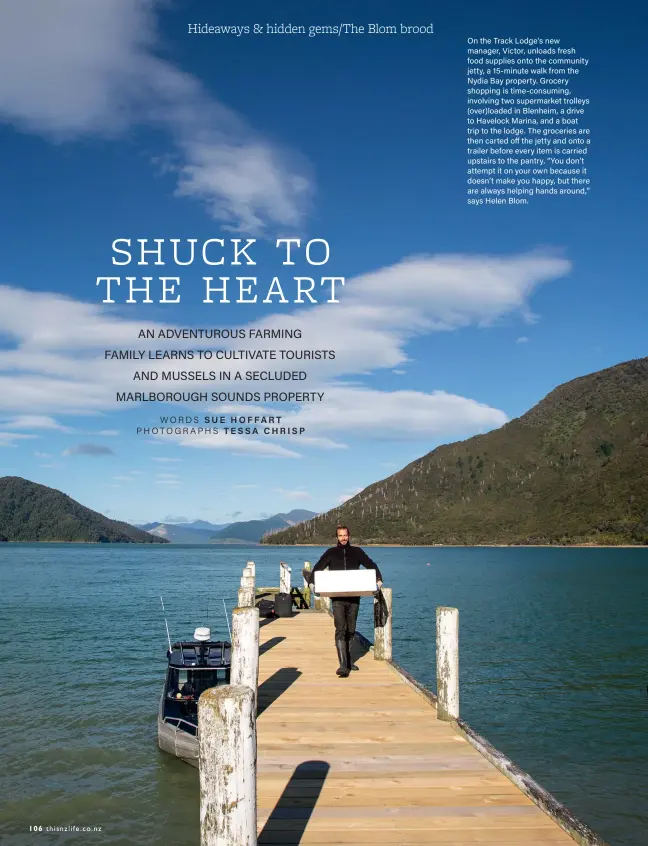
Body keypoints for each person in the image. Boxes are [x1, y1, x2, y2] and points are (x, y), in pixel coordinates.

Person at [310, 525, 383, 678]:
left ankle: (349, 661)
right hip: (337, 598)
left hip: (354, 597)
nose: (343, 538)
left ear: (349, 536)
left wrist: (379, 580)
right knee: (340, 628)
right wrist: (312, 584)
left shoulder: (357, 552)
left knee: (351, 629)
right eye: (340, 535)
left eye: (345, 535)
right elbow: (317, 568)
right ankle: (343, 665)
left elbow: (371, 565)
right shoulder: (330, 553)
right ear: (337, 537)